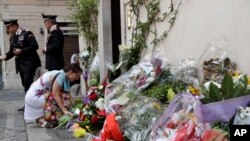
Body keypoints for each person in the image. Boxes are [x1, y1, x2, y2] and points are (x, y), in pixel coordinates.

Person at [0, 19, 41, 111]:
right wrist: (4, 57)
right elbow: (12, 52)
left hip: (30, 64)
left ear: (14, 26)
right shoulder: (13, 37)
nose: (7, 30)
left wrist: (22, 51)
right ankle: (28, 104)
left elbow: (35, 46)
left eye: (8, 27)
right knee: (25, 84)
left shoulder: (26, 33)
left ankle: (31, 105)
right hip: (21, 66)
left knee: (28, 83)